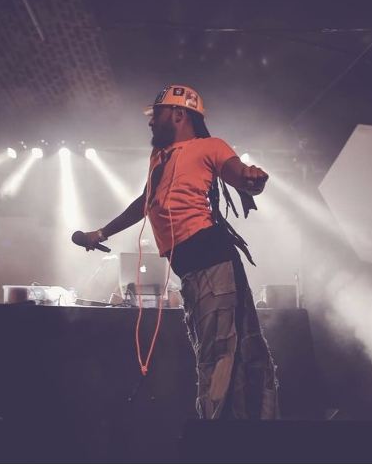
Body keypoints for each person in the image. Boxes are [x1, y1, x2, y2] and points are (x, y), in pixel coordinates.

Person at [83, 85, 279, 419]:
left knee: (223, 352)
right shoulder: (159, 158)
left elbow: (238, 174)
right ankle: (228, 430)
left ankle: (224, 434)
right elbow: (146, 202)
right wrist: (101, 233)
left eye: (156, 114)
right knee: (213, 351)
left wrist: (251, 179)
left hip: (211, 257)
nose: (150, 122)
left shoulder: (209, 147)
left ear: (178, 114)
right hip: (190, 267)